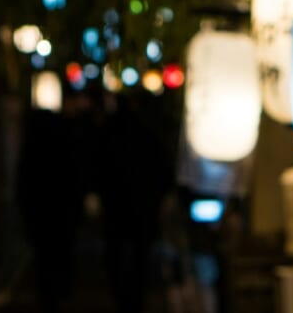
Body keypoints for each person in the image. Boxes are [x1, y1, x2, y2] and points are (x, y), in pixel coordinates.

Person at [94, 90, 174, 312]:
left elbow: (97, 166)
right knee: (140, 253)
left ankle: (122, 295)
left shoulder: (109, 132)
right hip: (142, 205)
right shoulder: (147, 133)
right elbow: (163, 168)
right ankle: (135, 297)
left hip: (116, 205)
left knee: (117, 252)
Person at [15, 106, 87, 312]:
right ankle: (57, 292)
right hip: (61, 217)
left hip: (41, 217)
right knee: (58, 257)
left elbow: (23, 186)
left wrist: (25, 214)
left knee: (44, 262)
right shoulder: (66, 147)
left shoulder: (32, 150)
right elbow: (76, 183)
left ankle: (47, 297)